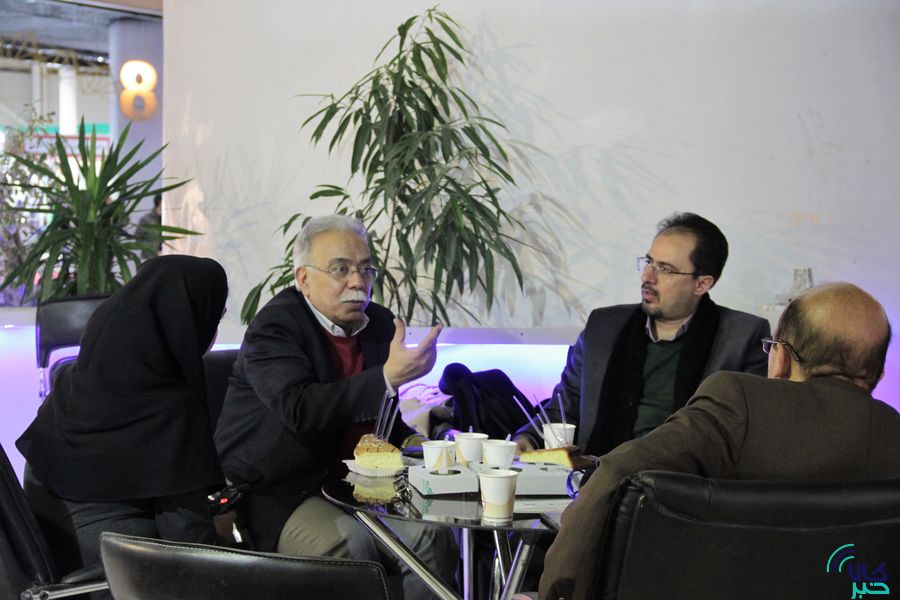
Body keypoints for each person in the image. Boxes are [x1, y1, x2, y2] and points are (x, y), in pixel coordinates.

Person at [539, 282, 900, 600]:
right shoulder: (892, 432)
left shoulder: (740, 402)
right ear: (878, 374)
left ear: (781, 358)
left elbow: (617, 474)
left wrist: (558, 592)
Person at [214, 215, 456, 599]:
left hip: (358, 484)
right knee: (346, 547)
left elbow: (379, 416)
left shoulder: (378, 324)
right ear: (304, 279)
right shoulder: (275, 328)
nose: (358, 282)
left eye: (365, 269)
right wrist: (387, 377)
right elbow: (300, 409)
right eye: (341, 269)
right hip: (281, 489)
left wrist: (420, 445)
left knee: (430, 535)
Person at [17, 255, 228, 583]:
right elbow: (191, 546)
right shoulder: (169, 412)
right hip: (125, 577)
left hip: (60, 568)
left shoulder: (71, 382)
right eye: (215, 315)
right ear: (189, 322)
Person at [516, 212, 770, 456]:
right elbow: (562, 410)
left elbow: (743, 434)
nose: (647, 277)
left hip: (684, 479)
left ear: (702, 284)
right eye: (649, 262)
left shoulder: (741, 337)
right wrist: (526, 439)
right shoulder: (603, 327)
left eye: (665, 269)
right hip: (597, 473)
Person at [135, 193, 163, 260]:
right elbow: (138, 237)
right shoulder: (146, 219)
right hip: (150, 257)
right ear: (159, 203)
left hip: (167, 254)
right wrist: (151, 249)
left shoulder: (169, 219)